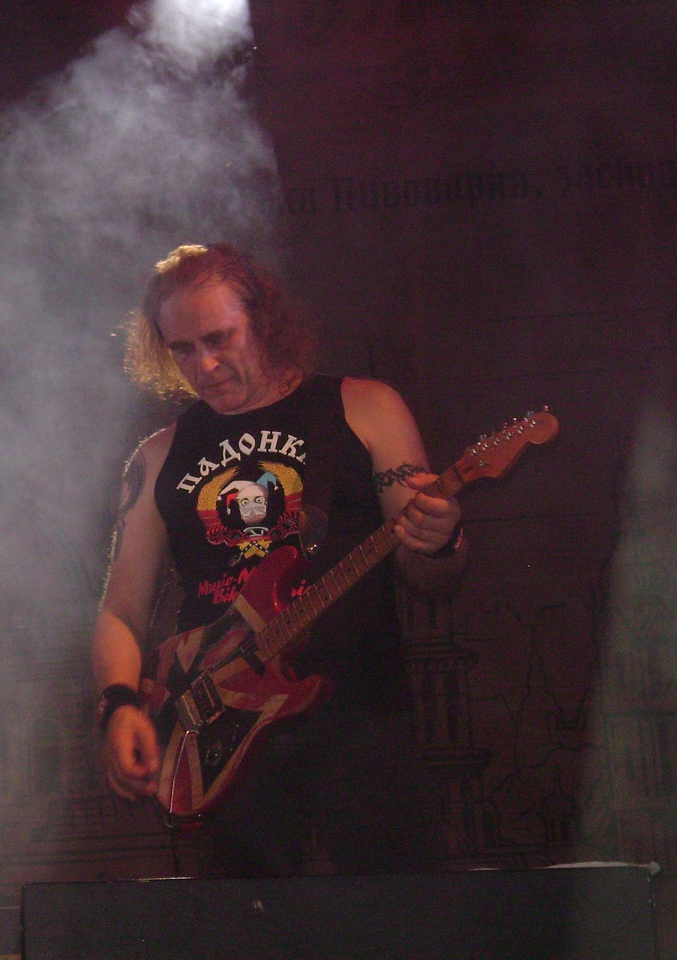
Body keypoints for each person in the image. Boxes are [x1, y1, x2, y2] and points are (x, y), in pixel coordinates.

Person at [92, 243, 466, 877]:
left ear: (263, 321)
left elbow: (431, 576)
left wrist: (442, 540)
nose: (204, 365)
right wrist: (118, 705)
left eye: (219, 338)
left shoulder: (364, 407)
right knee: (244, 920)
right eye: (182, 349)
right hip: (221, 738)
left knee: (395, 913)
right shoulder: (157, 456)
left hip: (361, 717)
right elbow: (120, 610)